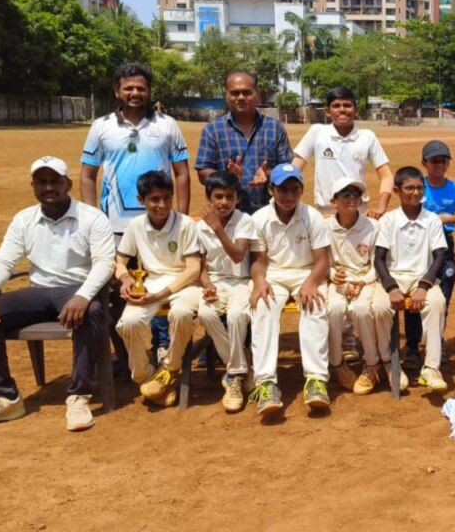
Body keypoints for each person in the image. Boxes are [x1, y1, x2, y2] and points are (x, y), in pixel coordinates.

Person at [0, 157, 115, 431]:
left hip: (78, 289)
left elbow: (105, 263)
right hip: (39, 292)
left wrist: (83, 296)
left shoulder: (92, 217)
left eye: (55, 181)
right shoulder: (24, 219)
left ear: (68, 184)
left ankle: (78, 396)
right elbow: (3, 262)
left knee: (91, 312)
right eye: (41, 182)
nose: (49, 188)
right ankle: (6, 396)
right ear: (33, 186)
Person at [80, 63, 190, 371]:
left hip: (160, 224)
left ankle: (162, 346)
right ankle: (127, 352)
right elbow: (87, 175)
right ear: (117, 91)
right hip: (115, 226)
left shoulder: (167, 125)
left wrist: (180, 218)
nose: (135, 93)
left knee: (162, 280)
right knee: (118, 291)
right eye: (128, 88)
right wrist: (92, 219)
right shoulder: (101, 126)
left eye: (141, 88)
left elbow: (182, 173)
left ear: (149, 91)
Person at [249, 164, 332, 416]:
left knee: (315, 304)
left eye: (294, 189)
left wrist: (311, 282)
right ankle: (265, 383)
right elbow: (259, 261)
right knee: (263, 306)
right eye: (282, 190)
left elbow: (323, 261)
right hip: (273, 273)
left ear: (302, 190)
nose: (289, 195)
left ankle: (316, 379)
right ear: (271, 189)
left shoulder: (312, 217)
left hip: (307, 271)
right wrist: (259, 280)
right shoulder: (259, 219)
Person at [114, 171, 203, 407]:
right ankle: (146, 377)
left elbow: (193, 268)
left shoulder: (185, 224)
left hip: (185, 282)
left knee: (181, 314)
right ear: (141, 199)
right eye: (154, 199)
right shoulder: (135, 225)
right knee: (128, 323)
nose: (161, 205)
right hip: (151, 282)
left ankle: (170, 367)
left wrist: (162, 294)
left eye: (166, 198)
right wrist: (125, 278)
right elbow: (120, 261)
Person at [373, 167, 449, 392]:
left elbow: (440, 255)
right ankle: (389, 362)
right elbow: (379, 258)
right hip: (393, 278)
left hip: (421, 278)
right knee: (378, 307)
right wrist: (390, 287)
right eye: (409, 188)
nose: (415, 193)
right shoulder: (388, 220)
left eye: (419, 188)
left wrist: (424, 286)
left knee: (437, 303)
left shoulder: (432, 219)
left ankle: (431, 367)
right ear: (397, 191)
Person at [403, 140, 455, 370]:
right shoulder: (417, 186)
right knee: (414, 296)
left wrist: (451, 218)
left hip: (445, 244)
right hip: (418, 246)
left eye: (443, 160)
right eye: (434, 161)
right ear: (424, 163)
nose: (439, 165)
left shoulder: (454, 189)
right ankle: (413, 347)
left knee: (442, 298)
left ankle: (436, 342)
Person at [196, 171, 256, 413]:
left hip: (241, 281)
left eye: (229, 197)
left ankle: (233, 377)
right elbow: (201, 266)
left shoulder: (244, 220)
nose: (224, 202)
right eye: (218, 197)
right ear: (209, 198)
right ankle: (239, 368)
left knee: (236, 315)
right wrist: (207, 285)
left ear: (237, 198)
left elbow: (238, 255)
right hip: (216, 282)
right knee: (206, 314)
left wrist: (218, 228)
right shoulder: (200, 227)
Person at [195, 70, 293, 215]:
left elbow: (288, 169)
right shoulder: (213, 130)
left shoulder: (275, 128)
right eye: (235, 93)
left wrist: (268, 174)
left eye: (247, 93)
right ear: (226, 95)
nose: (241, 97)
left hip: (269, 214)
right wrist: (226, 177)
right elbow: (203, 172)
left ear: (257, 93)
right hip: (228, 216)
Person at [291, 86, 393, 217]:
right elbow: (294, 170)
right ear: (327, 111)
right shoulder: (317, 132)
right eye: (336, 106)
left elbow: (386, 176)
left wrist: (381, 206)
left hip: (358, 211)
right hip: (326, 212)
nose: (342, 110)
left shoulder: (367, 136)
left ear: (356, 110)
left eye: (347, 105)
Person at [324, 177, 383, 395]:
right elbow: (323, 260)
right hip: (338, 280)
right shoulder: (325, 227)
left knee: (361, 310)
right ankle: (336, 363)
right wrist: (333, 276)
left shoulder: (373, 227)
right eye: (345, 194)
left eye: (356, 195)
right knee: (334, 309)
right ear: (334, 201)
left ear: (361, 201)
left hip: (366, 279)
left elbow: (378, 262)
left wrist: (363, 281)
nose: (351, 199)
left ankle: (372, 363)